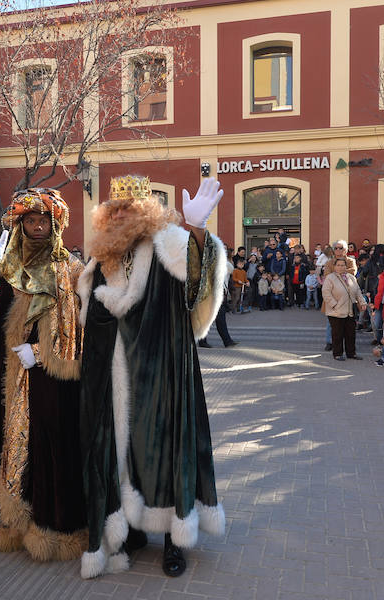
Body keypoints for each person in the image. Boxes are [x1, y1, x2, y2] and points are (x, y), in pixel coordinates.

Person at [78, 175, 226, 579]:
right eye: (115, 208)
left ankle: (174, 541)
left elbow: (196, 289)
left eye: (129, 207)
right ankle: (134, 528)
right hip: (113, 372)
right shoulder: (101, 255)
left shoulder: (168, 245)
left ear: (147, 211)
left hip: (160, 373)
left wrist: (197, 232)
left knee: (163, 452)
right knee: (121, 456)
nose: (121, 213)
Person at [0, 188, 88, 562]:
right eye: (30, 220)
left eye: (43, 221)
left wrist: (40, 352)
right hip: (7, 373)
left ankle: (54, 527)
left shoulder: (70, 269)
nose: (37, 227)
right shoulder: (5, 267)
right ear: (20, 225)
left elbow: (81, 327)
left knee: (50, 443)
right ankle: (13, 522)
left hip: (50, 378)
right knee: (7, 441)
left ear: (56, 226)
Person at [321, 257, 366, 361]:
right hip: (335, 311)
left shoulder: (351, 277)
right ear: (334, 267)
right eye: (338, 265)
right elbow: (326, 293)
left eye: (343, 265)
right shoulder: (330, 278)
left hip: (350, 310)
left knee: (351, 333)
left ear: (346, 266)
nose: (341, 267)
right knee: (337, 334)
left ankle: (351, 353)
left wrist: (362, 302)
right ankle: (337, 353)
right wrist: (334, 304)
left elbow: (358, 291)